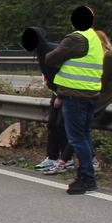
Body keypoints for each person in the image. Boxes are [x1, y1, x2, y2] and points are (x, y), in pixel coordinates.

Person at [45, 6, 102, 194]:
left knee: (77, 139)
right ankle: (85, 176)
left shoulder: (75, 38)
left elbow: (51, 58)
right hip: (91, 95)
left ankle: (87, 178)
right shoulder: (94, 38)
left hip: (75, 96)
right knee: (84, 137)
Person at [20, 26, 66, 172]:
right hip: (56, 91)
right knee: (52, 124)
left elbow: (65, 72)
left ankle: (67, 159)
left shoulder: (52, 51)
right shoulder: (39, 52)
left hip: (67, 91)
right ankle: (52, 157)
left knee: (61, 125)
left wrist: (61, 94)